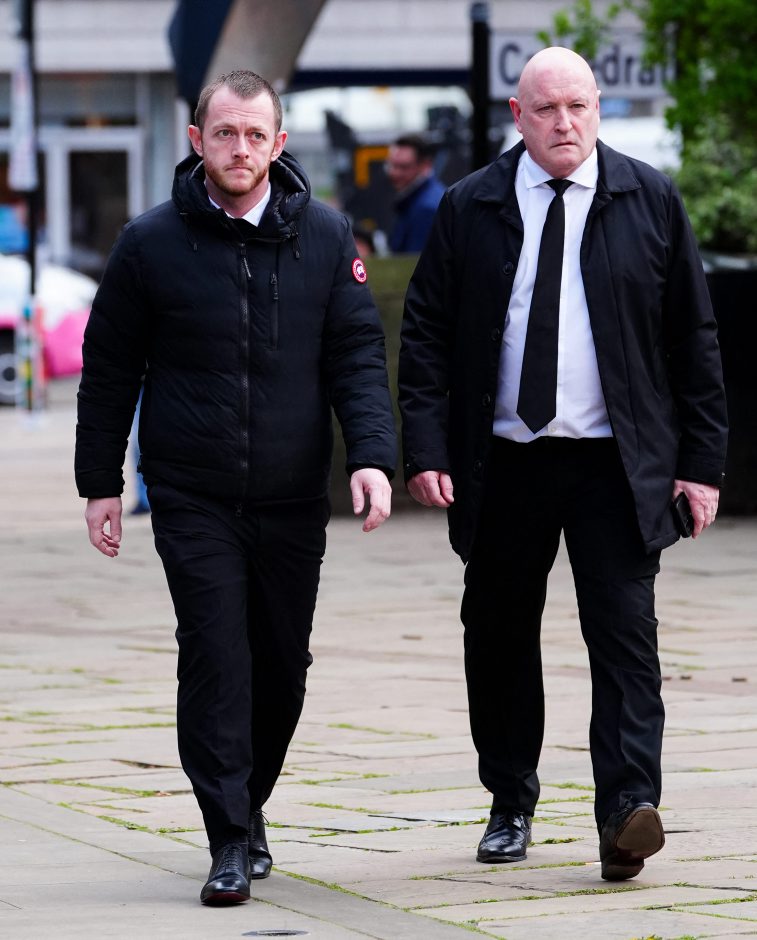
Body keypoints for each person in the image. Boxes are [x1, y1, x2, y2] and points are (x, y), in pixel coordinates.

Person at [398, 47, 727, 882]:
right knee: (498, 635)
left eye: (577, 106)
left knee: (624, 639)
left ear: (597, 107)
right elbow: (426, 332)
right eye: (545, 109)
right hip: (504, 461)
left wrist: (700, 464)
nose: (563, 123)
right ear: (517, 116)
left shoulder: (647, 197)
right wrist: (425, 448)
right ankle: (509, 802)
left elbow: (692, 339)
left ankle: (626, 813)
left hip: (616, 466)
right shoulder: (471, 204)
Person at [75, 70, 396, 906]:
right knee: (216, 656)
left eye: (255, 135)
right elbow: (109, 370)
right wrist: (100, 481)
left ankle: (248, 805)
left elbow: (357, 356)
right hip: (193, 494)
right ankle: (225, 835)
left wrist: (370, 455)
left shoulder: (326, 236)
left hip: (292, 494)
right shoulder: (149, 243)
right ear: (198, 140)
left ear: (278, 144)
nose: (240, 148)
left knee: (281, 664)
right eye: (225, 133)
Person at [386, 133, 445, 253]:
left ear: (425, 165)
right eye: (392, 165)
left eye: (403, 167)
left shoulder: (426, 209)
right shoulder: (424, 199)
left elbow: (414, 261)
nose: (394, 173)